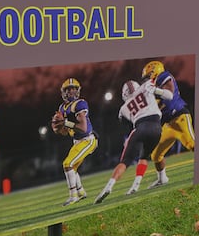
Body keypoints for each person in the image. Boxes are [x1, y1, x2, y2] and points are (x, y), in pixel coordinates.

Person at [94, 76, 171, 203]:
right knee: (144, 156)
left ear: (124, 94)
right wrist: (158, 91)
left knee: (125, 161)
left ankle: (108, 187)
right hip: (157, 128)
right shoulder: (146, 87)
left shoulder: (123, 109)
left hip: (140, 128)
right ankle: (137, 185)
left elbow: (127, 125)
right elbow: (169, 96)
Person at [142, 61, 195, 189]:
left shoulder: (163, 76)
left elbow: (170, 95)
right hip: (168, 124)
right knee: (156, 154)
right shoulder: (152, 88)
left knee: (192, 144)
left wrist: (154, 91)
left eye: (148, 76)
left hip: (179, 117)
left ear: (154, 71)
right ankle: (162, 179)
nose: (147, 79)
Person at [53, 77, 98, 206]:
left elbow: (83, 128)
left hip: (87, 139)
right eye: (68, 89)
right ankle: (81, 192)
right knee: (72, 167)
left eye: (73, 89)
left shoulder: (80, 104)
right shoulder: (62, 107)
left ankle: (73, 196)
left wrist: (66, 122)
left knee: (67, 164)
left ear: (78, 91)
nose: (71, 92)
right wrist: (59, 128)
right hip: (77, 141)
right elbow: (66, 130)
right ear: (63, 92)